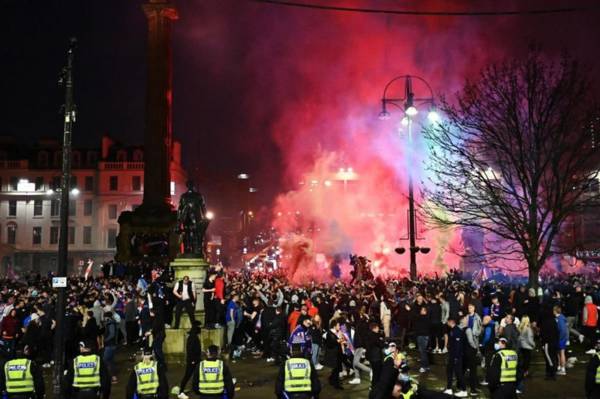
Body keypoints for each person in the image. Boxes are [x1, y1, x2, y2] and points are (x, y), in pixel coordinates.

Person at [174, 321, 202, 399]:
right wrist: (193, 360)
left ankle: (196, 388)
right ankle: (181, 392)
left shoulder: (192, 337)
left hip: (195, 360)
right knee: (188, 375)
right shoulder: (193, 338)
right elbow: (191, 350)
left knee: (197, 375)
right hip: (193, 361)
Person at [443, 317, 467, 397]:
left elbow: (458, 346)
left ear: (451, 322)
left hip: (456, 356)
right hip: (452, 355)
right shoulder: (453, 330)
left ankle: (464, 390)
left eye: (447, 322)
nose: (447, 323)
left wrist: (456, 357)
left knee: (458, 373)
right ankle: (449, 388)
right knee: (449, 371)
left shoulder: (457, 331)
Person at [324, 319, 344, 390]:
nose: (339, 327)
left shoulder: (336, 332)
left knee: (337, 369)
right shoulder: (330, 333)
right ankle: (336, 383)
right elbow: (330, 344)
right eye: (338, 325)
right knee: (336, 369)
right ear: (334, 326)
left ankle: (332, 379)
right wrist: (337, 341)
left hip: (337, 353)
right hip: (334, 354)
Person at [365, 322, 385, 390]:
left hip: (371, 356)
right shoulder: (375, 335)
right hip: (376, 357)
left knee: (375, 372)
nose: (379, 329)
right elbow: (380, 344)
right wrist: (383, 341)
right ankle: (374, 386)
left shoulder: (368, 335)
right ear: (375, 328)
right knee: (377, 373)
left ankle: (374, 385)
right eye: (378, 328)